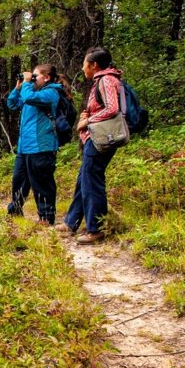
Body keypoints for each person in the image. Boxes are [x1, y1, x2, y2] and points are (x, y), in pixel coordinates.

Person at [57, 47, 123, 244]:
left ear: (94, 65)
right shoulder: (103, 80)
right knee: (84, 178)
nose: (83, 68)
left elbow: (113, 108)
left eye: (85, 64)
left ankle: (96, 228)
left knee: (92, 181)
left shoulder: (106, 80)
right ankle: (71, 222)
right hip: (95, 138)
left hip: (102, 138)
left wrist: (88, 121)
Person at [6, 64, 62, 225]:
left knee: (41, 182)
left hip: (42, 145)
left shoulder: (51, 93)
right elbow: (12, 104)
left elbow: (29, 98)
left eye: (35, 76)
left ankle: (46, 216)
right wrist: (18, 87)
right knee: (19, 180)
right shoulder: (30, 92)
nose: (32, 79)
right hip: (25, 147)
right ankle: (15, 211)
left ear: (47, 78)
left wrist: (27, 83)